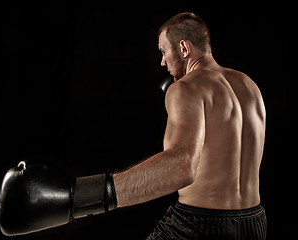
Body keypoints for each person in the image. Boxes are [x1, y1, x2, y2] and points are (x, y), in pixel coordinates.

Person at [112, 12, 267, 239]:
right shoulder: (250, 85)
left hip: (200, 223)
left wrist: (98, 194)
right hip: (254, 222)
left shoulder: (185, 88)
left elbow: (181, 166)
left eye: (164, 51)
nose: (162, 61)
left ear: (184, 48)